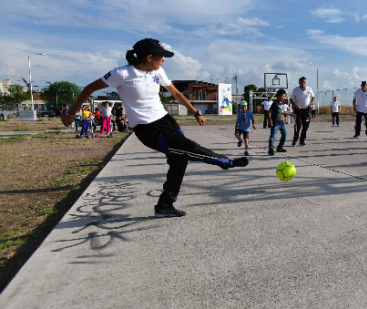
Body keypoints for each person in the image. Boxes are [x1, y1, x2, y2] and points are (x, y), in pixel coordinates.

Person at [61, 38, 248, 217]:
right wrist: (71, 114)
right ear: (149, 57)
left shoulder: (158, 72)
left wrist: (195, 112)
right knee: (189, 148)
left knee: (179, 160)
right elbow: (89, 89)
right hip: (147, 128)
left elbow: (174, 92)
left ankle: (164, 206)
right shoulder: (122, 74)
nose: (164, 60)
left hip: (166, 120)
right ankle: (225, 162)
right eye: (161, 56)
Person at [290, 77, 315, 147]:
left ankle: (302, 141)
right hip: (298, 111)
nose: (303, 83)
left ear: (306, 82)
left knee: (306, 127)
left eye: (304, 82)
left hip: (306, 111)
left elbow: (313, 97)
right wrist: (295, 105)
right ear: (299, 83)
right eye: (301, 82)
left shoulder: (309, 89)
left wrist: (311, 104)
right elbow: (291, 100)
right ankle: (295, 140)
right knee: (298, 125)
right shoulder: (295, 90)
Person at [268, 89, 294, 155]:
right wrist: (270, 120)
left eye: (284, 96)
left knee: (284, 134)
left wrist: (291, 114)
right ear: (278, 96)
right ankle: (270, 149)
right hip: (275, 122)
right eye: (282, 96)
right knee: (273, 136)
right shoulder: (275, 103)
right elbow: (269, 112)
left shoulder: (282, 103)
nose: (283, 98)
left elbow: (283, 112)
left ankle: (280, 147)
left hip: (281, 122)